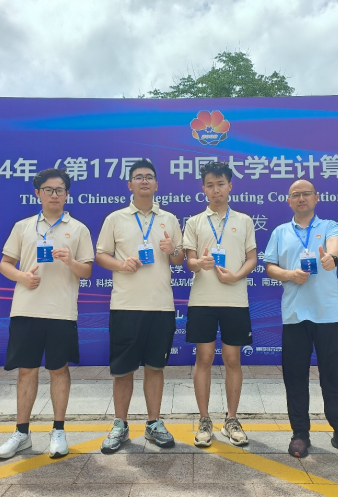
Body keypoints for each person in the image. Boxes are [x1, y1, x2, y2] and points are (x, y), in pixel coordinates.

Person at [0, 168, 94, 460]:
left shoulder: (78, 229)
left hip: (61, 312)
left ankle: (58, 431)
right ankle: (21, 433)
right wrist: (22, 277)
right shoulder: (23, 226)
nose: (54, 195)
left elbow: (87, 271)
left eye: (60, 190)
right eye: (48, 190)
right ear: (37, 193)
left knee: (59, 369)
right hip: (26, 309)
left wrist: (71, 261)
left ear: (67, 194)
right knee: (26, 370)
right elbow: (5, 264)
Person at [263, 179, 338, 461]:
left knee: (332, 376)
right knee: (295, 377)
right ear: (288, 201)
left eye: (306, 194)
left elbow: (334, 246)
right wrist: (289, 275)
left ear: (316, 198)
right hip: (295, 316)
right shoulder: (280, 232)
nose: (301, 198)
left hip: (327, 315)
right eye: (295, 195)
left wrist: (331, 258)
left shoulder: (329, 226)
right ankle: (300, 434)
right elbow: (270, 266)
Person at [95, 159, 185, 454]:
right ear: (130, 185)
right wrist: (121, 264)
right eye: (138, 177)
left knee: (155, 367)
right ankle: (120, 425)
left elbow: (179, 259)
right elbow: (101, 255)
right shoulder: (115, 218)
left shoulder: (169, 219)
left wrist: (173, 250)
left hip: (161, 306)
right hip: (126, 305)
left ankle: (153, 423)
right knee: (123, 370)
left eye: (149, 176)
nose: (144, 181)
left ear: (157, 184)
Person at [183, 161, 257, 447]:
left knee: (232, 359)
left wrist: (236, 276)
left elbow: (252, 258)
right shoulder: (194, 222)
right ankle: (204, 420)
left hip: (235, 300)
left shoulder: (244, 220)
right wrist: (199, 263)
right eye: (210, 185)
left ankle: (231, 420)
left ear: (230, 186)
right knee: (203, 359)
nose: (216, 190)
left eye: (221, 184)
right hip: (202, 301)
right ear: (203, 189)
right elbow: (189, 261)